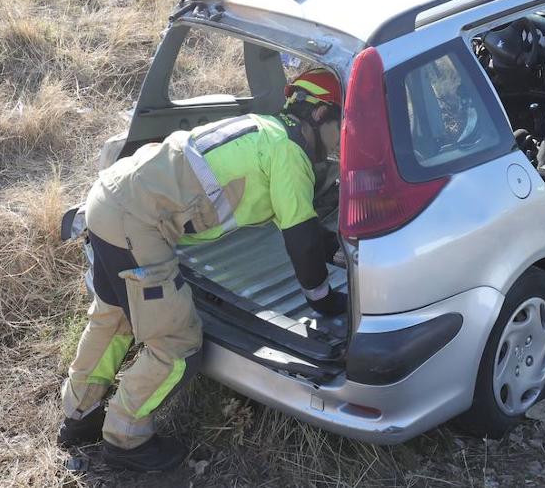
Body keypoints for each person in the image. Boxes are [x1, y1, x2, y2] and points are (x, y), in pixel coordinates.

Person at [57, 69, 345, 472]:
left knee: (115, 316)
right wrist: (324, 299)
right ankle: (125, 440)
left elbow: (300, 226)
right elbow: (301, 240)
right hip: (136, 221)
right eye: (342, 124)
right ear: (319, 114)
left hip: (108, 197)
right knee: (176, 341)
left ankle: (79, 414)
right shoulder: (289, 153)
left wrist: (331, 248)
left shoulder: (265, 128)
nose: (342, 140)